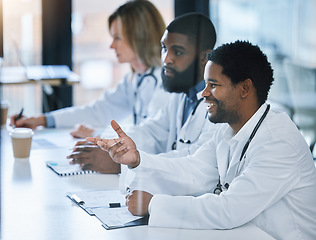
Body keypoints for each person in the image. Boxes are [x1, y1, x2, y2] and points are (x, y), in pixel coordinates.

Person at [87, 41, 316, 240]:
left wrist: (153, 205)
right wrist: (137, 160)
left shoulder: (278, 143)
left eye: (213, 85)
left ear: (244, 88)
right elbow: (194, 170)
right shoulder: (229, 129)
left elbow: (230, 209)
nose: (203, 93)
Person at [67, 13, 218, 176]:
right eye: (164, 49)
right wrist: (110, 145)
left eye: (178, 52)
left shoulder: (219, 106)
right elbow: (151, 131)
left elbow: (197, 165)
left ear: (204, 57)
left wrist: (126, 164)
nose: (166, 59)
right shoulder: (181, 94)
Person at [10, 0, 169, 138]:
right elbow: (97, 111)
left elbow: (151, 137)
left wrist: (97, 135)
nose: (111, 45)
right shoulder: (135, 79)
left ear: (140, 37)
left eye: (117, 38)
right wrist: (42, 120)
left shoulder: (165, 83)